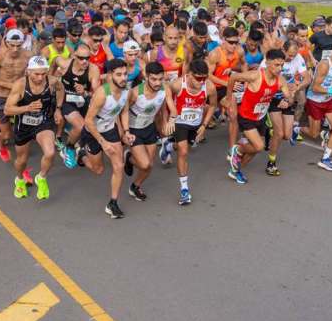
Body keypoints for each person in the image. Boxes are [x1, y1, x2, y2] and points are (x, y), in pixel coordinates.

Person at [4, 56, 65, 200]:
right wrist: (27, 107)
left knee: (50, 153)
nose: (40, 77)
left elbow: (61, 90)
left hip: (43, 122)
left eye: (43, 73)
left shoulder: (52, 81)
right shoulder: (20, 85)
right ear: (28, 72)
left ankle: (41, 178)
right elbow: (7, 110)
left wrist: (58, 109)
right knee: (21, 160)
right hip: (23, 125)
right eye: (36, 74)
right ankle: (19, 179)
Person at [227, 49, 292, 183]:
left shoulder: (280, 80)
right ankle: (237, 149)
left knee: (254, 150)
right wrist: (229, 99)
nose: (279, 69)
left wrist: (286, 101)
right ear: (267, 63)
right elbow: (233, 77)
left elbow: (289, 97)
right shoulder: (255, 76)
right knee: (259, 146)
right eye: (276, 65)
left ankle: (236, 170)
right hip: (246, 117)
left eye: (282, 65)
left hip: (260, 117)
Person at [77, 59, 130, 219]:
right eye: (119, 75)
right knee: (98, 170)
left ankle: (112, 203)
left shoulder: (126, 90)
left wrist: (125, 132)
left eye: (125, 74)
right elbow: (88, 121)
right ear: (109, 76)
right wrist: (103, 142)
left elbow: (124, 111)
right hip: (93, 133)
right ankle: (82, 156)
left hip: (110, 130)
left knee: (119, 166)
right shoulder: (101, 94)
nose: (123, 78)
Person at [162, 59, 217, 205]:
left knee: (183, 147)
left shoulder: (209, 87)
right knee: (184, 151)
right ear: (190, 74)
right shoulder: (179, 84)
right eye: (198, 78)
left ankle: (168, 146)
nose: (201, 81)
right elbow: (166, 88)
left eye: (204, 78)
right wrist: (170, 114)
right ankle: (184, 189)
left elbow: (212, 105)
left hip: (196, 123)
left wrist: (204, 125)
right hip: (180, 121)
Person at [291, 42, 332, 171]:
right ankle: (297, 129)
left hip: (329, 101)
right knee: (314, 134)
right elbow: (315, 87)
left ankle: (325, 159)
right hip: (315, 101)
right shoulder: (324, 65)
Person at [122, 62, 174, 201]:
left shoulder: (164, 89)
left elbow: (166, 107)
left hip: (149, 128)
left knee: (148, 166)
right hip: (134, 130)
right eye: (153, 79)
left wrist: (168, 121)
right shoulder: (135, 93)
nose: (157, 83)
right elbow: (124, 112)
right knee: (144, 164)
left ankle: (135, 186)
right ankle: (129, 158)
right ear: (146, 77)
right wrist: (125, 132)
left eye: (160, 79)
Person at [0, 29, 33, 164]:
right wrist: (10, 85)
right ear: (6, 42)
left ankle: (22, 152)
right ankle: (1, 143)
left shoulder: (28, 55)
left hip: (20, 96)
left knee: (24, 128)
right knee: (6, 135)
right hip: (2, 97)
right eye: (12, 45)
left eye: (19, 45)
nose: (15, 49)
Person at [264, 40, 310, 175]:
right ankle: (271, 164)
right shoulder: (272, 60)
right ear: (283, 51)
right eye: (289, 55)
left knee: (286, 135)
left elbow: (306, 79)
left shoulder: (297, 58)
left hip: (287, 97)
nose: (291, 58)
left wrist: (296, 88)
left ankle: (270, 131)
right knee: (279, 133)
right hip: (272, 98)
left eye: (294, 55)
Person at [54, 44, 101, 168]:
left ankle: (78, 146)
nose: (84, 61)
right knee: (80, 126)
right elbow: (55, 59)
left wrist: (85, 92)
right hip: (66, 101)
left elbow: (97, 94)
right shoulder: (65, 64)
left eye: (87, 58)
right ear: (74, 56)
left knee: (87, 129)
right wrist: (51, 76)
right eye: (81, 58)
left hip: (83, 102)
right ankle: (68, 148)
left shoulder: (93, 70)